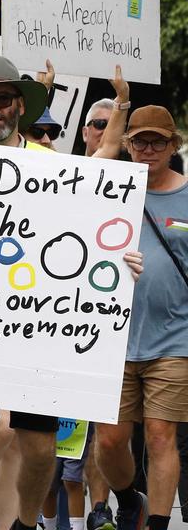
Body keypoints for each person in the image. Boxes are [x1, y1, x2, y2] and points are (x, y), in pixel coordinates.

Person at [0, 57, 141, 530]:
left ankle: (23, 523)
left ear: (19, 105)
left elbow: (105, 171)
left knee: (38, 447)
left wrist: (121, 103)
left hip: (39, 323)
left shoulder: (50, 164)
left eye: (2, 100)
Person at [88, 72, 185, 530]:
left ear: (173, 146)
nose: (149, 150)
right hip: (112, 337)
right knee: (109, 441)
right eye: (140, 142)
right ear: (128, 144)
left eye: (158, 143)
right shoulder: (107, 187)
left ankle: (161, 525)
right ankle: (130, 499)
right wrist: (122, 100)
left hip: (174, 338)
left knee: (163, 436)